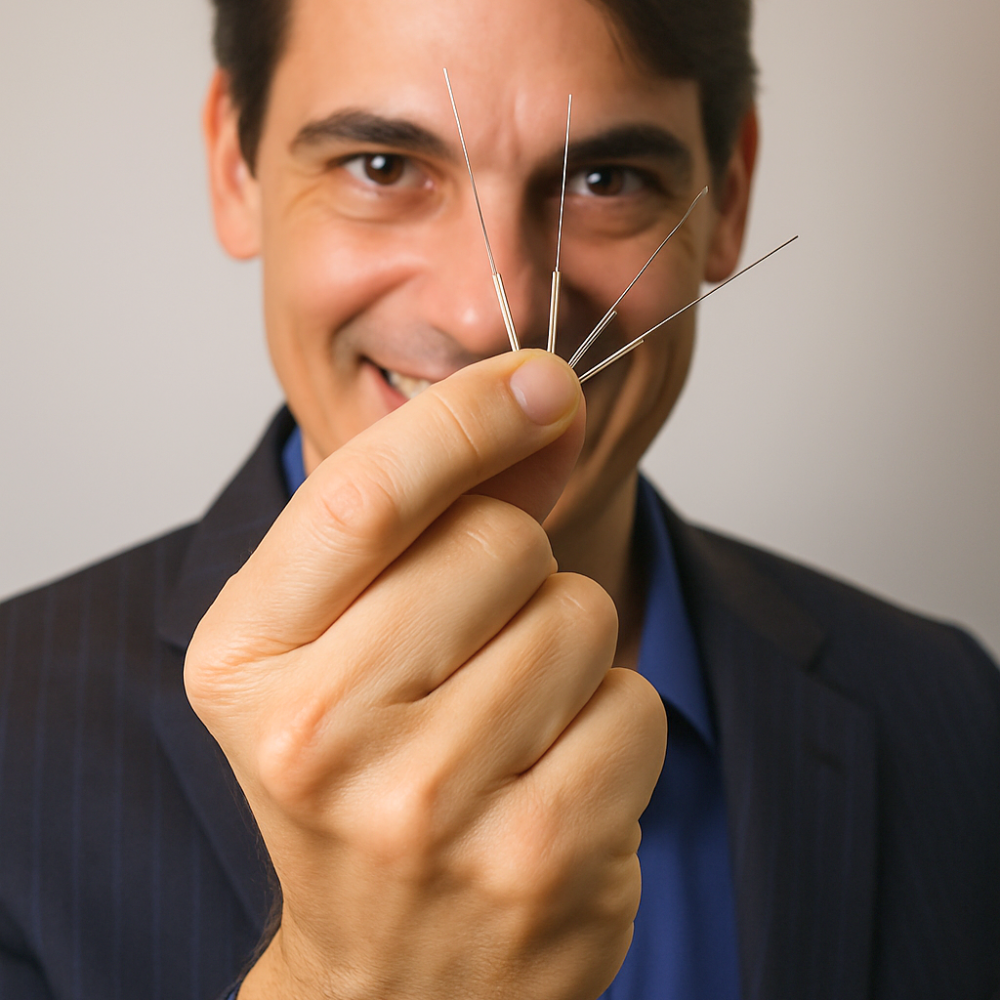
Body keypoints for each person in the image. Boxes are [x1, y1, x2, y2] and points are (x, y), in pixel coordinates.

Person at [1, 0, 997, 998]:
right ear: (235, 166)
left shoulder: (954, 711)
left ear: (727, 198)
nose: (493, 315)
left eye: (605, 180)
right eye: (381, 166)